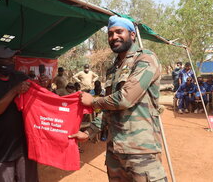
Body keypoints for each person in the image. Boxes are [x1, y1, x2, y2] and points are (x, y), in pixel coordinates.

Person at [69, 16, 167, 181]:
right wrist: (89, 132)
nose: (114, 37)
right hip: (115, 150)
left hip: (140, 151)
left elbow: (125, 99)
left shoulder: (145, 59)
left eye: (119, 32)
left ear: (132, 35)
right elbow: (109, 109)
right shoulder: (113, 69)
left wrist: (93, 101)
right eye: (110, 33)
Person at [0, 45, 38, 182]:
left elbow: (37, 97)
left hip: (24, 147)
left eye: (13, 58)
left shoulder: (21, 77)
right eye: (8, 59)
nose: (13, 61)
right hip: (0, 150)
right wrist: (14, 91)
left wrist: (42, 85)